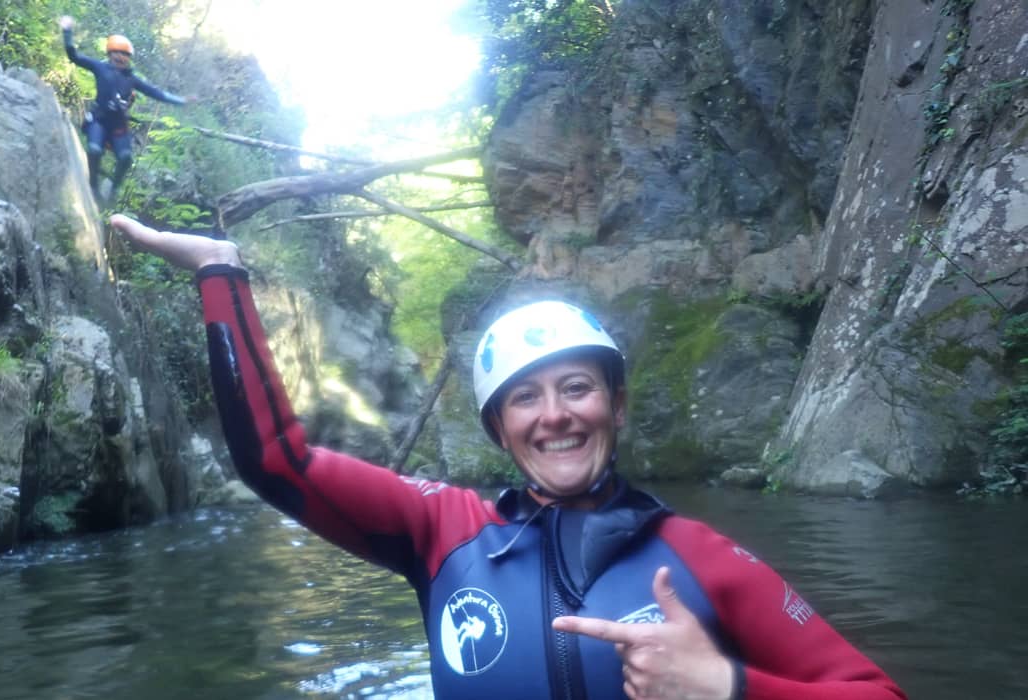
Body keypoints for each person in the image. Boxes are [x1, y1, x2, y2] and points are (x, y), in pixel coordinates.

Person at [109, 213, 908, 700]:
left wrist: (730, 689)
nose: (554, 415)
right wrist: (221, 270)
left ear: (616, 406)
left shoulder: (700, 560)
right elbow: (275, 461)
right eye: (525, 399)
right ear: (499, 430)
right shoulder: (439, 530)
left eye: (576, 389)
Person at [58, 16, 194, 204]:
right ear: (110, 53)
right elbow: (74, 56)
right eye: (117, 53)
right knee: (95, 150)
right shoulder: (99, 67)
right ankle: (93, 186)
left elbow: (156, 93)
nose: (121, 58)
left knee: (126, 157)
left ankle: (113, 189)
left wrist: (181, 101)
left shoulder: (132, 78)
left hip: (118, 126)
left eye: (125, 55)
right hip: (99, 120)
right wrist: (67, 32)